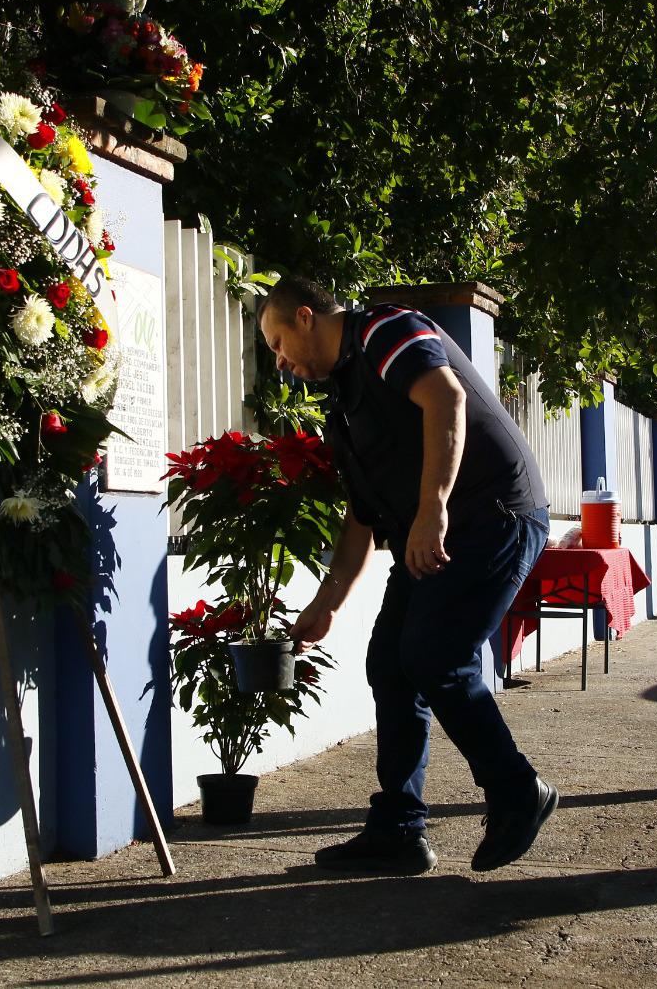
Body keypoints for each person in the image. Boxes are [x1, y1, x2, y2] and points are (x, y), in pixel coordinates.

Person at [258, 275, 555, 875]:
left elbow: (446, 398)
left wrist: (432, 507)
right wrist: (328, 603)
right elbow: (361, 518)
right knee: (391, 663)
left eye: (277, 340)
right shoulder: (344, 400)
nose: (279, 360)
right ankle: (399, 829)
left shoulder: (386, 330)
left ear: (307, 317)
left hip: (492, 512)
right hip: (439, 527)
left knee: (434, 656)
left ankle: (517, 790)